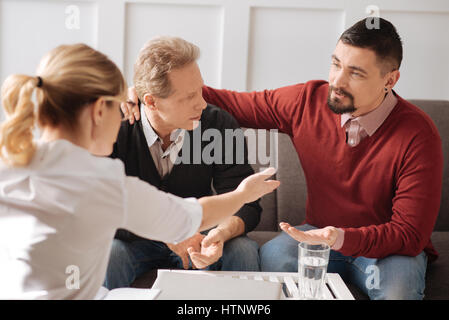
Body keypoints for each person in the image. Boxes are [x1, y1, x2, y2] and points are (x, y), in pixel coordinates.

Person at [123, 18, 443, 300]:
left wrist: (341, 237)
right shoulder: (308, 101)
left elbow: (409, 234)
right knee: (275, 259)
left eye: (355, 73)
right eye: (335, 64)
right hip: (316, 236)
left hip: (386, 251)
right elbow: (231, 102)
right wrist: (145, 92)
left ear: (390, 80)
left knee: (399, 292)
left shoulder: (418, 134)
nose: (337, 81)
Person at [0, 43, 279, 299]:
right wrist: (244, 193)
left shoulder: (9, 163)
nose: (123, 113)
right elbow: (188, 216)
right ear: (101, 110)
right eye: (118, 105)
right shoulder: (100, 178)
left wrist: (219, 232)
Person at [104, 36, 263, 290]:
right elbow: (102, 210)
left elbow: (247, 203)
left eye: (200, 90)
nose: (201, 102)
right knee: (110, 253)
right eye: (189, 96)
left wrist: (220, 234)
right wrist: (168, 233)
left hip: (201, 234)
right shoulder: (114, 128)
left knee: (242, 250)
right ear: (152, 101)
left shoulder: (218, 124)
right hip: (137, 238)